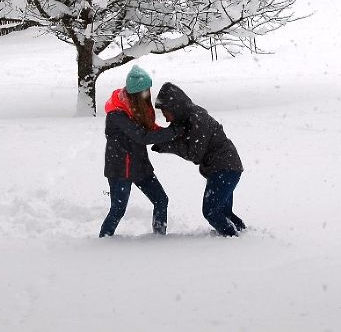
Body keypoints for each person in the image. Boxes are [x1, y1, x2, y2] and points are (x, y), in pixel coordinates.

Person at [152, 82, 246, 237]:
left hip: (225, 168)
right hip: (226, 166)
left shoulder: (197, 119)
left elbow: (195, 154)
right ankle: (244, 235)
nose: (167, 120)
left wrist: (166, 147)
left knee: (210, 211)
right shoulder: (187, 118)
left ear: (175, 107)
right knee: (223, 211)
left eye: (166, 114)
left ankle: (232, 239)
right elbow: (173, 135)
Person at [100, 65, 182, 238]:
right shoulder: (117, 115)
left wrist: (173, 135)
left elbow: (151, 129)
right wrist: (173, 132)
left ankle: (159, 238)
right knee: (118, 210)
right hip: (120, 169)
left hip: (139, 167)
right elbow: (142, 136)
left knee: (161, 200)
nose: (148, 94)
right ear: (136, 93)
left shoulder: (137, 108)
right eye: (145, 91)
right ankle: (104, 242)